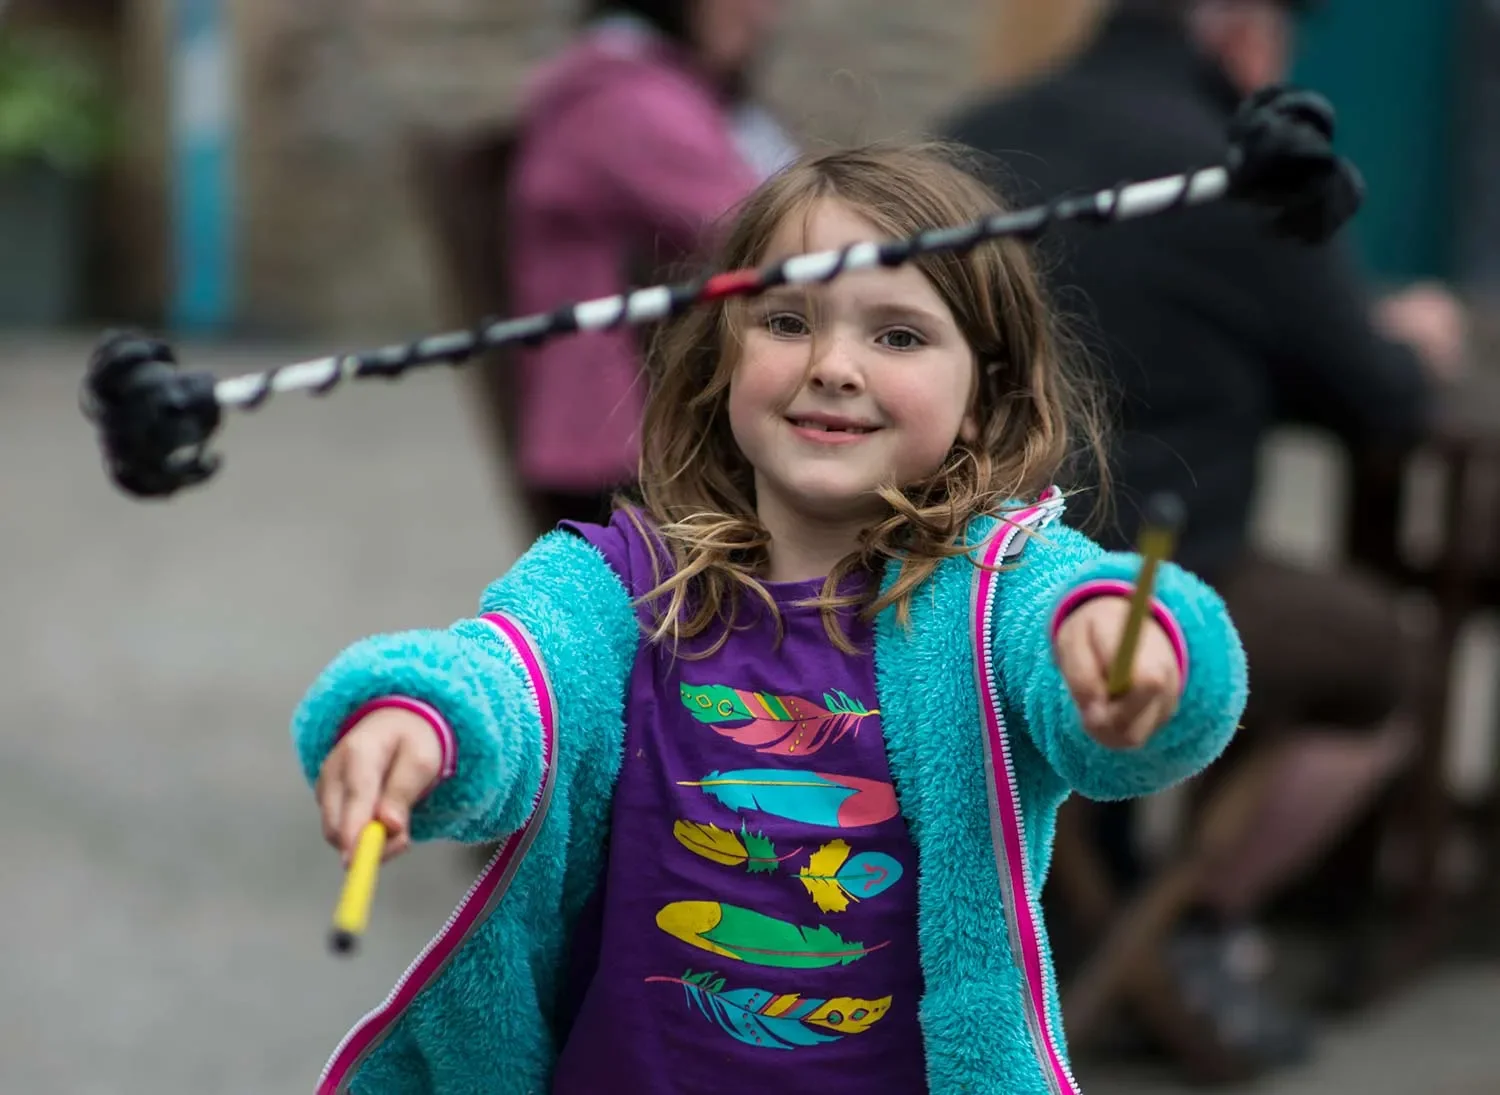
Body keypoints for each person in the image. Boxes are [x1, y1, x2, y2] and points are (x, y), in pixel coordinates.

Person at [292, 143, 1249, 1094]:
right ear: (722, 356)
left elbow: (1090, 638)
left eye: (899, 336)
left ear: (982, 400)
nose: (833, 365)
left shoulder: (996, 590)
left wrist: (1132, 652)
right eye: (788, 319)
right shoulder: (618, 584)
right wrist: (417, 718)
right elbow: (504, 674)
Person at [943, 0, 1467, 1072]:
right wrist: (1413, 341)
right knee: (1390, 666)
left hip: (959, 568)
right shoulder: (1230, 174)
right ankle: (1193, 929)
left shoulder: (971, 134)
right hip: (1146, 576)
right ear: (1237, 32)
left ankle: (1108, 910)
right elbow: (1380, 402)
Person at [505, 0, 793, 531]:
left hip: (644, 431)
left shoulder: (648, 84)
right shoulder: (627, 98)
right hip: (617, 438)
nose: (767, 14)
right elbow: (775, 234)